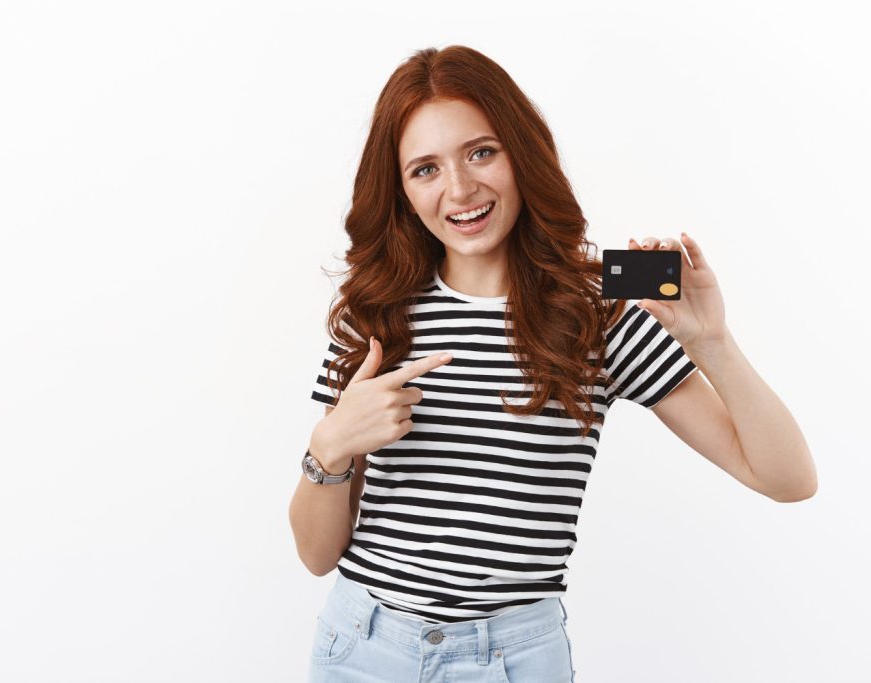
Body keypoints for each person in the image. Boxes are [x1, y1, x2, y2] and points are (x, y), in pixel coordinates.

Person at [288, 45, 816, 683]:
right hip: (364, 649)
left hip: (513, 661)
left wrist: (713, 342)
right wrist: (332, 443)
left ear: (521, 151)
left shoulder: (600, 303)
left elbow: (789, 479)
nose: (460, 189)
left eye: (481, 152)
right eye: (425, 169)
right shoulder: (377, 312)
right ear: (400, 189)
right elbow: (317, 557)